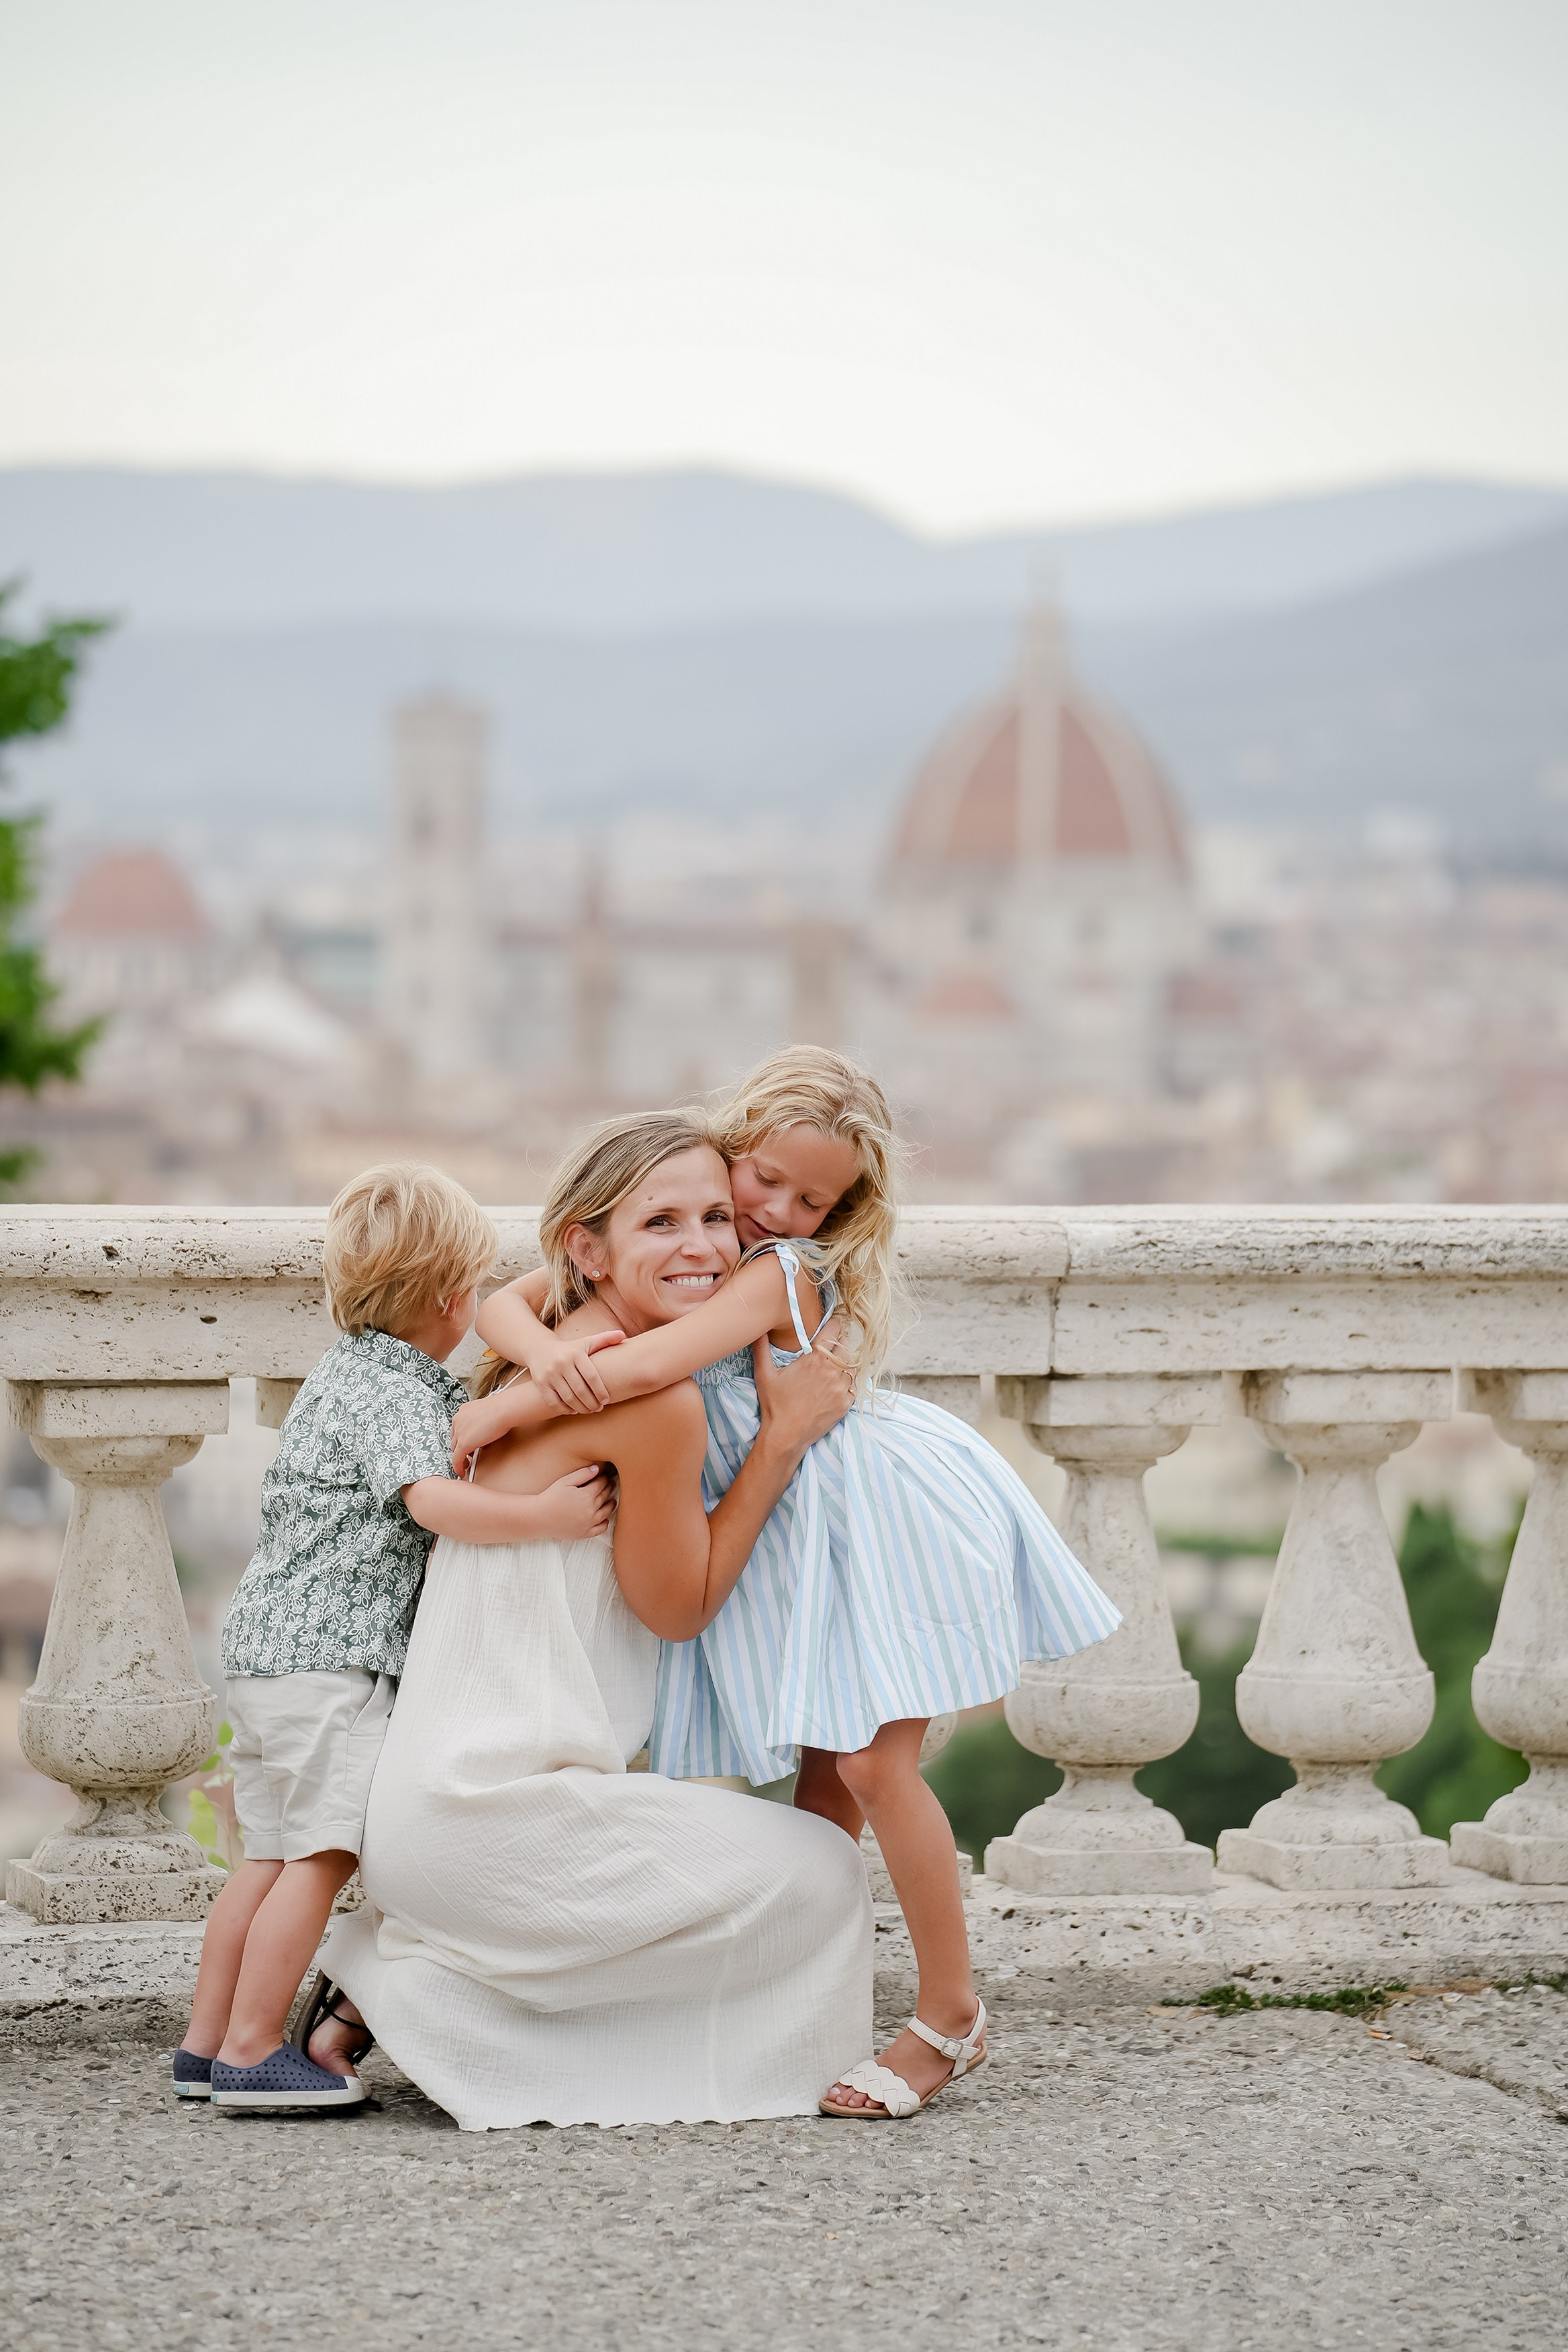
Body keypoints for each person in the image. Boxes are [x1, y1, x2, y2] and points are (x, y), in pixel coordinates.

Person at [452, 1046, 1122, 2120]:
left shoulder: (781, 1271)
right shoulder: (691, 1220)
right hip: (802, 1522)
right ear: (734, 1145)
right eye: (765, 1180)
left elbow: (648, 1369)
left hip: (871, 1512)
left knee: (869, 1764)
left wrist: (499, 1409)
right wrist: (536, 1346)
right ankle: (821, 1998)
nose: (777, 1210)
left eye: (815, 1200)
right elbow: (502, 1300)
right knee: (823, 1778)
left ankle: (951, 2016)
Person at [313, 1112, 871, 2132]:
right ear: (587, 1246)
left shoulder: (553, 1357)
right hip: (496, 1821)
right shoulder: (652, 1403)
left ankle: (406, 1980)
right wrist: (782, 1441)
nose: (704, 1247)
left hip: (436, 1817)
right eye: (660, 1222)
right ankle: (420, 1992)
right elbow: (683, 1607)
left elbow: (505, 1311)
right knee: (827, 1871)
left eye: (715, 1215)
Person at [174, 1163, 614, 2114]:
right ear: (455, 1297)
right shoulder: (395, 1395)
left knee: (269, 1857)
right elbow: (435, 1501)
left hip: (268, 1657)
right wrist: (544, 1517)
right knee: (322, 1858)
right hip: (331, 1664)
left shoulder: (348, 1375)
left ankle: (205, 2047)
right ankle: (255, 2055)